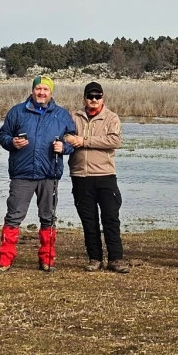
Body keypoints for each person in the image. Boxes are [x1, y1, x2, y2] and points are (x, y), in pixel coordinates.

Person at [0, 76, 76, 274]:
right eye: (38, 88)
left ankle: (47, 260)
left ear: (51, 92)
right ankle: (5, 261)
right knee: (14, 217)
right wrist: (12, 142)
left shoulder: (62, 114)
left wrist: (63, 147)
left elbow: (72, 141)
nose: (41, 93)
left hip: (49, 174)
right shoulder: (17, 111)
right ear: (32, 90)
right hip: (22, 174)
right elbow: (3, 135)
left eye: (45, 89)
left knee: (48, 218)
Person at [64, 81, 129, 274]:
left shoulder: (111, 117)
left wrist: (84, 141)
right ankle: (95, 259)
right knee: (88, 221)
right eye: (90, 96)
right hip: (80, 175)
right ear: (84, 98)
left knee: (111, 219)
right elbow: (65, 136)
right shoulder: (73, 117)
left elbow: (114, 140)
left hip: (105, 175)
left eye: (97, 96)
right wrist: (69, 139)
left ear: (103, 98)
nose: (94, 99)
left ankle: (116, 259)